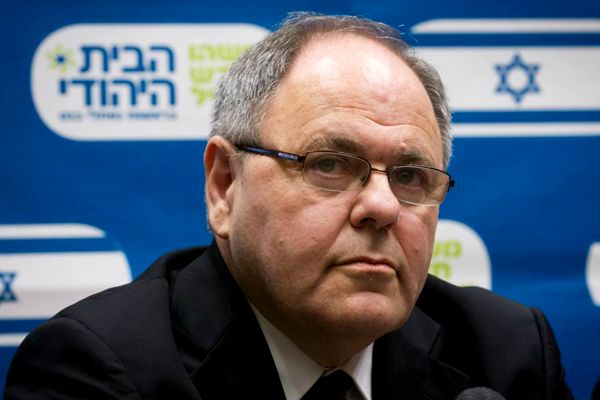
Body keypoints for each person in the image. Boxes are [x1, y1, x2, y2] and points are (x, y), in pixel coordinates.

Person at [5, 12, 573, 400]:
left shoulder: (506, 353)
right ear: (225, 186)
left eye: (410, 176)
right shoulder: (100, 368)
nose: (382, 206)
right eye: (329, 164)